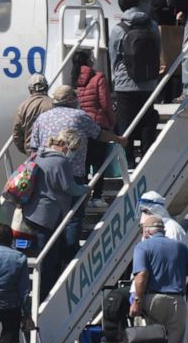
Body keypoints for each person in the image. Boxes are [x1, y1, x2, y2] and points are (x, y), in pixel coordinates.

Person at [30, 85, 127, 258]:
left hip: (44, 175)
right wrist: (118, 139)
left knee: (51, 217)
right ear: (70, 100)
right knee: (73, 217)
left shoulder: (42, 118)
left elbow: (33, 148)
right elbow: (99, 134)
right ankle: (69, 258)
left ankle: (52, 258)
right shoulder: (80, 116)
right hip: (73, 174)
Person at [21, 130, 89, 299]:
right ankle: (45, 297)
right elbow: (69, 188)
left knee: (40, 255)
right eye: (74, 149)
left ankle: (35, 293)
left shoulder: (39, 155)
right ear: (67, 145)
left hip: (31, 213)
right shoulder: (61, 162)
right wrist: (86, 189)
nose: (72, 153)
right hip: (48, 215)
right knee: (49, 260)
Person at [129, 216, 188, 343]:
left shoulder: (143, 247)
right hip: (177, 302)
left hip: (153, 302)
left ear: (147, 232)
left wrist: (137, 301)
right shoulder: (179, 247)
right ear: (162, 231)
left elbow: (141, 275)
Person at [111, 0, 161, 164]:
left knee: (125, 122)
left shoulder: (118, 29)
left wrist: (116, 79)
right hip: (148, 82)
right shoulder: (152, 25)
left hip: (125, 84)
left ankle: (129, 159)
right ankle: (147, 155)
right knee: (147, 118)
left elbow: (114, 58)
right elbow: (158, 50)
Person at [71, 49, 115, 208]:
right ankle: (96, 196)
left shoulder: (74, 79)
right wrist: (111, 122)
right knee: (99, 164)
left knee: (84, 163)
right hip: (97, 124)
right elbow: (105, 103)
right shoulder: (98, 77)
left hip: (81, 127)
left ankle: (83, 194)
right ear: (89, 60)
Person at [11, 73, 54, 154]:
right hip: (51, 151)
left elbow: (17, 135)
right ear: (47, 87)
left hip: (32, 151)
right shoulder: (54, 104)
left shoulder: (23, 106)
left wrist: (25, 150)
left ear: (30, 90)